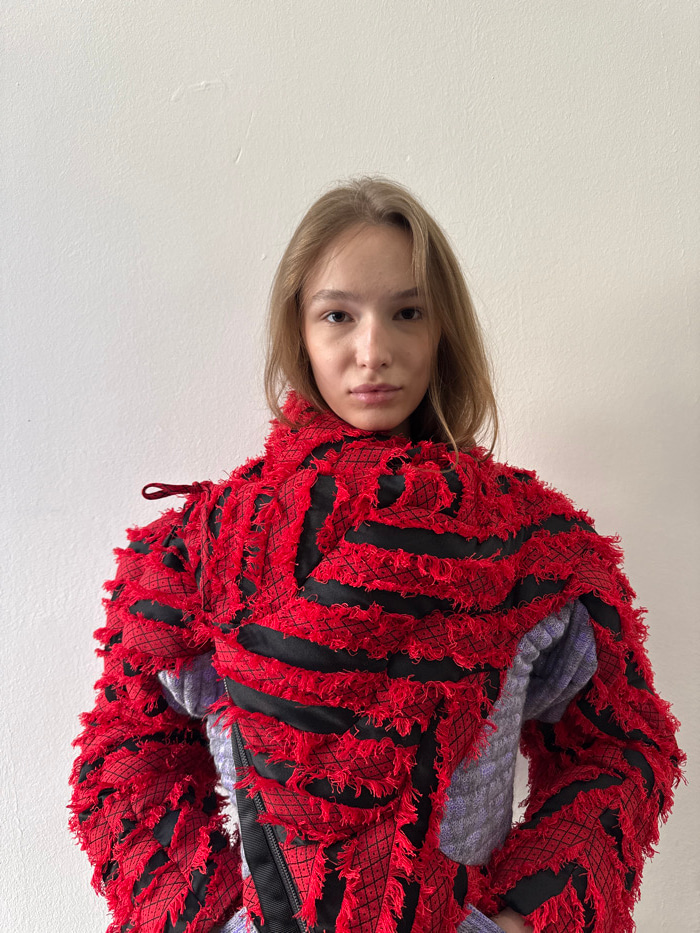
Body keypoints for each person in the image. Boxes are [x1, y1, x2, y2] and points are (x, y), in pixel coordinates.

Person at [70, 177, 682, 933]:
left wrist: (524, 918)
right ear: (298, 331)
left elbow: (621, 749)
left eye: (407, 312)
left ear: (442, 329)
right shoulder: (198, 552)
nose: (374, 351)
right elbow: (123, 763)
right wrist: (217, 920)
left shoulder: (533, 544)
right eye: (338, 314)